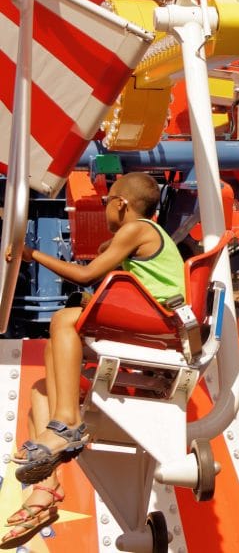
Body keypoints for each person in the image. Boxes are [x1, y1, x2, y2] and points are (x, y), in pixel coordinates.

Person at [8, 173, 185, 544]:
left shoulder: (138, 228)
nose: (103, 207)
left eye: (107, 201)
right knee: (40, 392)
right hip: (148, 317)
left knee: (63, 320)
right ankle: (47, 489)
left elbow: (87, 274)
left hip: (159, 322)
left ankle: (66, 423)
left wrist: (32, 254)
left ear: (121, 204)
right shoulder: (141, 235)